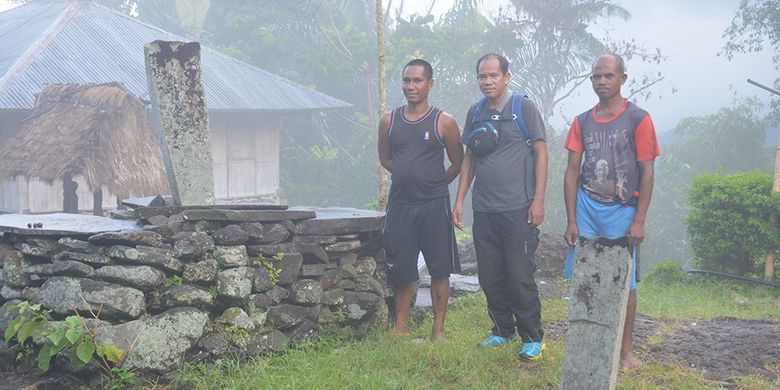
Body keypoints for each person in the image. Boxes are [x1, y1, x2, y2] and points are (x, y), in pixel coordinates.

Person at [563, 52, 660, 369]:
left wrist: (639, 219)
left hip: (623, 209)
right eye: (596, 76)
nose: (601, 82)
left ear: (622, 79)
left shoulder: (638, 119)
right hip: (588, 208)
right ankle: (587, 344)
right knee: (585, 279)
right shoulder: (582, 121)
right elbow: (571, 171)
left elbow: (647, 172)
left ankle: (626, 349)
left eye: (608, 76)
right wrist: (571, 219)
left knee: (625, 284)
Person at [452, 53, 549, 361]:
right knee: (490, 274)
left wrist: (538, 201)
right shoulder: (475, 112)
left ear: (506, 76)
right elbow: (470, 157)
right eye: (482, 76)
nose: (488, 81)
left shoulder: (523, 107)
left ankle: (532, 337)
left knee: (519, 273)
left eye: (494, 75)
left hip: (518, 208)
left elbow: (542, 153)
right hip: (485, 208)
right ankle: (501, 330)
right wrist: (459, 200)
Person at [378, 58, 464, 341]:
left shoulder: (444, 122)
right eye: (406, 80)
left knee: (440, 268)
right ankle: (400, 328)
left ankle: (438, 331)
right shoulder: (389, 120)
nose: (411, 86)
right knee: (401, 267)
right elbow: (386, 159)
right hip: (400, 205)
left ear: (430, 84)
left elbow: (457, 162)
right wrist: (407, 175)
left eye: (417, 81)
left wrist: (434, 183)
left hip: (434, 205)